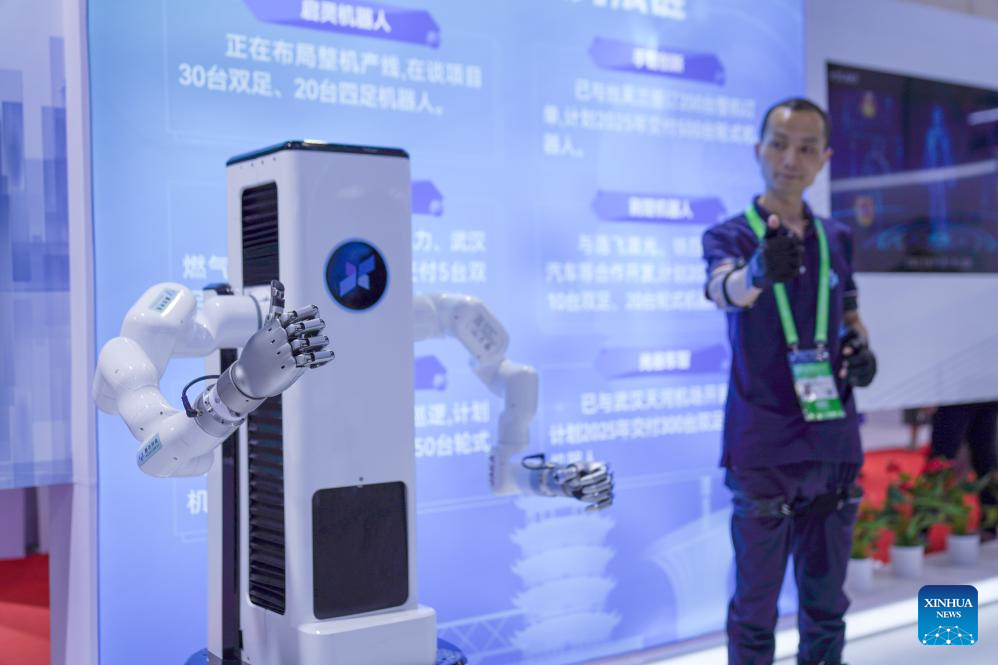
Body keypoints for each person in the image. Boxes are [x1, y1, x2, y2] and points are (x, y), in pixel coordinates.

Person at [701, 98, 878, 665]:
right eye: (779, 144)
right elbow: (722, 289)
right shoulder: (730, 236)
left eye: (806, 148)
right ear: (759, 150)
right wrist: (756, 272)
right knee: (755, 612)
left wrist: (862, 351)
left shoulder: (837, 237)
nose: (790, 159)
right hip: (764, 442)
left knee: (826, 608)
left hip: (833, 439)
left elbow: (849, 313)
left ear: (824, 159)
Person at [930, 401, 998, 539]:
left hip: (986, 399)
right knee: (940, 461)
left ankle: (990, 526)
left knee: (986, 461)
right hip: (955, 399)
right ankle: (919, 530)